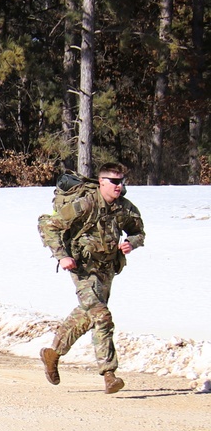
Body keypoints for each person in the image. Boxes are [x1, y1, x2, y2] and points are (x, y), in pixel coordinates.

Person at [38, 162, 146, 394]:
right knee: (101, 316)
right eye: (114, 181)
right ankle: (109, 374)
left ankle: (53, 353)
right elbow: (48, 225)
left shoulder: (124, 208)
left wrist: (131, 244)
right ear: (102, 182)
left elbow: (139, 232)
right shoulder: (85, 204)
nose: (119, 186)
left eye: (121, 181)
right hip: (83, 268)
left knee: (87, 315)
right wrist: (61, 256)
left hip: (107, 269)